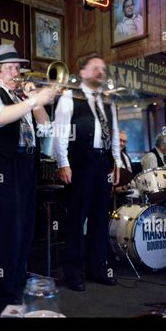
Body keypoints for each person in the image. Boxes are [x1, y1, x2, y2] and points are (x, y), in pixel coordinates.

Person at [0, 44, 55, 317]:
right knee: (9, 234)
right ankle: (3, 300)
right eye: (9, 68)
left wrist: (35, 100)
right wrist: (30, 101)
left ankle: (16, 291)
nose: (15, 72)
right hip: (2, 165)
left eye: (18, 68)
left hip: (27, 164)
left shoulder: (20, 97)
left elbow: (46, 128)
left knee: (25, 232)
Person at [54, 54, 122, 291]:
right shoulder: (69, 97)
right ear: (82, 73)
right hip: (80, 162)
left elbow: (113, 132)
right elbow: (60, 133)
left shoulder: (108, 101)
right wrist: (63, 163)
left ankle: (98, 267)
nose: (100, 72)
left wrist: (116, 163)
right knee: (76, 218)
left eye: (103, 69)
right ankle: (73, 271)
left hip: (103, 162)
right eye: (95, 68)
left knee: (100, 218)